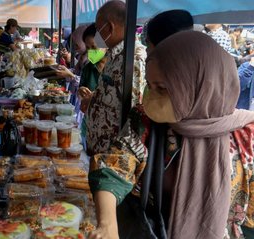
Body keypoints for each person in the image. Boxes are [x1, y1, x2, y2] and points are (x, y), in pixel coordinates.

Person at [89, 30, 254, 239]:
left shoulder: (246, 136)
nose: (151, 97)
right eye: (149, 86)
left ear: (201, 85)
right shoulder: (144, 119)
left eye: (162, 88)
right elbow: (112, 168)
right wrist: (107, 225)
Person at [81, 0, 146, 156]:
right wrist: (93, 100)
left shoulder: (133, 59)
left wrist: (116, 161)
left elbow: (134, 114)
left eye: (98, 29)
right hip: (98, 149)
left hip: (111, 157)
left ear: (109, 27)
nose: (97, 35)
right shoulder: (114, 54)